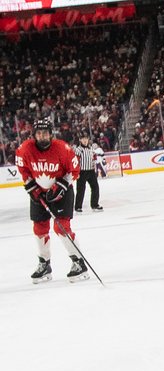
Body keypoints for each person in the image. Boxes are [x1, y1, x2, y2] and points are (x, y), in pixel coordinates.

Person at [15, 119, 88, 283]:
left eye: (45, 133)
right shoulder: (24, 149)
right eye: (39, 133)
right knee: (39, 228)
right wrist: (32, 188)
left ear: (51, 134)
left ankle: (79, 262)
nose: (42, 136)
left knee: (61, 227)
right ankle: (44, 265)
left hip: (62, 193)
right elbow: (24, 171)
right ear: (34, 135)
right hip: (39, 194)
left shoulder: (62, 148)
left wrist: (61, 186)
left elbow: (74, 170)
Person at [73, 133, 104, 213]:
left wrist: (94, 162)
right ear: (80, 140)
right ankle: (78, 207)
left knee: (95, 187)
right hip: (82, 172)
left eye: (86, 138)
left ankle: (94, 204)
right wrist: (76, 172)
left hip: (91, 171)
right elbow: (75, 162)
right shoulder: (78, 150)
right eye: (83, 139)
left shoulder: (90, 148)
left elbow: (94, 158)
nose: (85, 140)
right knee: (80, 190)